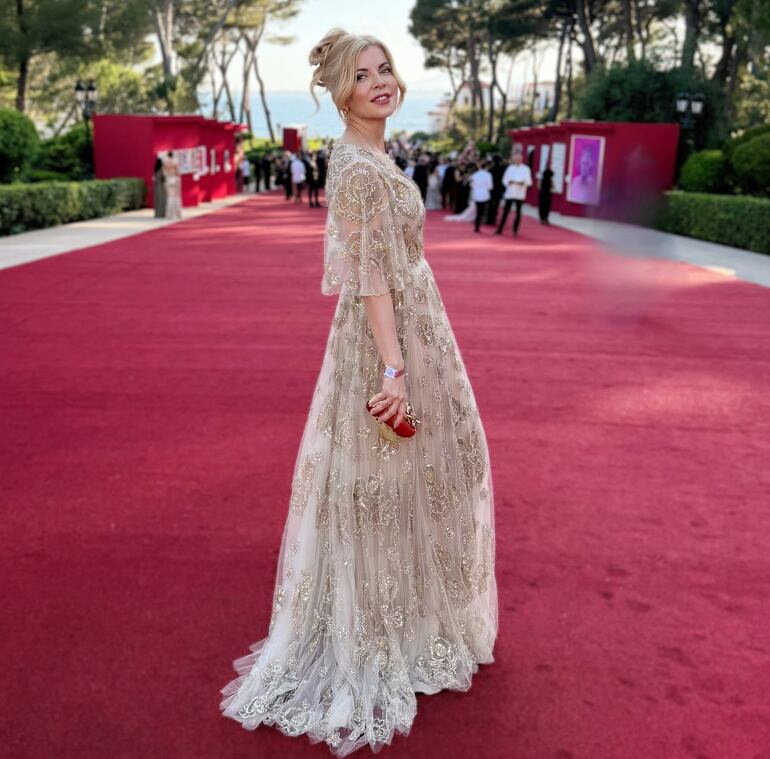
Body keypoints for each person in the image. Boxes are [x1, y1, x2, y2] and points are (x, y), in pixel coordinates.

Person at [220, 27, 497, 756]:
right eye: (362, 74)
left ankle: (411, 617)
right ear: (338, 90)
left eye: (385, 69)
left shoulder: (376, 153)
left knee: (437, 468)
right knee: (385, 474)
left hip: (417, 325)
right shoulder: (352, 168)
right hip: (389, 338)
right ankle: (379, 626)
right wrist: (393, 371)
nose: (380, 81)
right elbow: (370, 277)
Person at [496, 150, 532, 236]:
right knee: (506, 211)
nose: (517, 160)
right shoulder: (510, 168)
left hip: (520, 193)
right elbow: (505, 180)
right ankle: (500, 228)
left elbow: (528, 181)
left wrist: (520, 183)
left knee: (518, 212)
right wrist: (510, 183)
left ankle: (515, 229)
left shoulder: (526, 169)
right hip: (510, 192)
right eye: (515, 159)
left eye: (518, 159)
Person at [469, 161, 493, 233]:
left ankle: (477, 225)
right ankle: (478, 224)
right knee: (481, 211)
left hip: (476, 194)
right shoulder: (488, 175)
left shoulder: (475, 175)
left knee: (478, 211)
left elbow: (472, 185)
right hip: (485, 195)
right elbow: (490, 186)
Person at [162, 150, 182, 220]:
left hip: (168, 179)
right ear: (173, 155)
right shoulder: (176, 162)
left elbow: (164, 173)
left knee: (169, 198)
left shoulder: (165, 162)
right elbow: (178, 171)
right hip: (175, 179)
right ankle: (178, 214)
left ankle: (169, 215)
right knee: (176, 197)